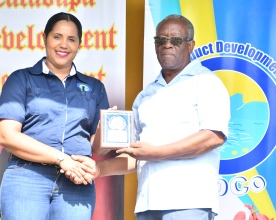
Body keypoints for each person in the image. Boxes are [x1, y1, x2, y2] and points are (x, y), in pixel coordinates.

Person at [71, 14, 230, 220]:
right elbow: (136, 155)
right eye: (161, 40)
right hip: (148, 203)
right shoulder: (146, 96)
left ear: (190, 45)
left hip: (188, 201)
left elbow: (213, 137)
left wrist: (156, 153)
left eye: (175, 40)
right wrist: (99, 169)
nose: (167, 45)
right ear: (155, 46)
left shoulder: (206, 82)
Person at [0, 12, 109, 220]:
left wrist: (103, 133)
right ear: (44, 38)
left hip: (77, 183)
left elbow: (98, 148)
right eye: (57, 37)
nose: (63, 44)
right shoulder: (21, 79)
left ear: (79, 45)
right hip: (27, 178)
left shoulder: (94, 87)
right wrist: (61, 159)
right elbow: (6, 136)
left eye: (71, 39)